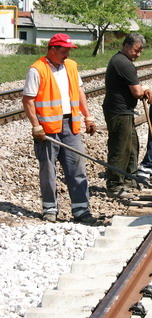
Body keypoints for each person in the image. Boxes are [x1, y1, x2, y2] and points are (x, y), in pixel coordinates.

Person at [22, 33, 101, 225]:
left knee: (77, 167)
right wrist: (36, 126)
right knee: (48, 170)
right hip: (47, 129)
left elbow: (79, 92)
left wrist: (88, 116)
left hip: (71, 125)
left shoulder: (71, 67)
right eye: (64, 51)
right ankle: (50, 209)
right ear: (52, 50)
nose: (67, 55)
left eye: (68, 51)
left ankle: (81, 210)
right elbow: (28, 100)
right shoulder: (37, 70)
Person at [102, 33, 152, 199]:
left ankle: (129, 179)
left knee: (132, 145)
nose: (138, 54)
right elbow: (137, 92)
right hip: (118, 111)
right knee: (120, 147)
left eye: (141, 51)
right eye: (136, 50)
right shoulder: (123, 63)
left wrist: (143, 89)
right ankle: (115, 184)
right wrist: (144, 89)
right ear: (126, 46)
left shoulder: (122, 61)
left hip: (124, 111)